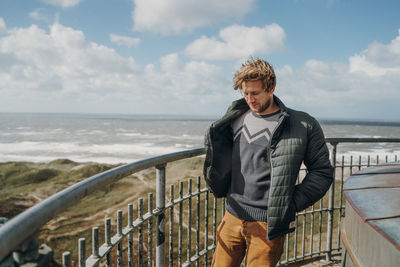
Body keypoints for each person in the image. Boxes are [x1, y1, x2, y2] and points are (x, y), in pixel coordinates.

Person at [203, 58, 333, 267]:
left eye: (255, 93)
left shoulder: (302, 124)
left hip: (268, 225)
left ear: (271, 88)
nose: (249, 99)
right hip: (232, 215)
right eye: (245, 93)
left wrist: (289, 205)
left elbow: (322, 171)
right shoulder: (234, 118)